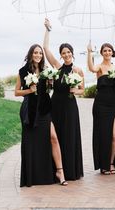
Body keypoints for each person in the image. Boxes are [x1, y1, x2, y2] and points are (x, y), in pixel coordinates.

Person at [15, 44, 68, 187]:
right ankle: (31, 176)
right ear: (31, 54)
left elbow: (48, 91)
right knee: (31, 142)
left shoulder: (46, 71)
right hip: (29, 110)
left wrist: (50, 84)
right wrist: (29, 91)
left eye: (40, 53)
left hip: (44, 109)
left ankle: (59, 171)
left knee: (53, 137)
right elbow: (17, 92)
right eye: (35, 53)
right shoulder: (23, 71)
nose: (38, 55)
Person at [43, 18, 84, 180]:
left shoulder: (78, 70)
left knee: (69, 136)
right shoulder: (58, 68)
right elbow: (46, 49)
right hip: (55, 106)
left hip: (70, 107)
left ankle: (70, 170)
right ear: (60, 55)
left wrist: (75, 90)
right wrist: (47, 30)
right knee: (55, 136)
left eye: (68, 52)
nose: (66, 55)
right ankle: (56, 169)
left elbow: (82, 91)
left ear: (72, 53)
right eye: (63, 53)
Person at [87, 41, 115, 175]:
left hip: (114, 104)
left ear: (112, 52)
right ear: (101, 53)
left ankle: (112, 162)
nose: (107, 52)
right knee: (103, 135)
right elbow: (91, 68)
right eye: (105, 51)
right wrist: (89, 52)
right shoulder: (100, 67)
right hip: (100, 104)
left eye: (109, 50)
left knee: (114, 135)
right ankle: (104, 165)